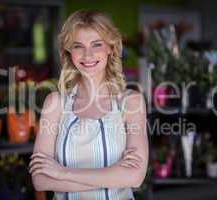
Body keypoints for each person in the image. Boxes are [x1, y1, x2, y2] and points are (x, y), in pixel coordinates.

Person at [29, 10, 148, 200]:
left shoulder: (131, 102)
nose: (88, 55)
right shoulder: (55, 103)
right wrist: (115, 175)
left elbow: (134, 177)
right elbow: (40, 180)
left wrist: (61, 173)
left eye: (96, 45)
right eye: (78, 46)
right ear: (69, 51)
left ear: (111, 48)